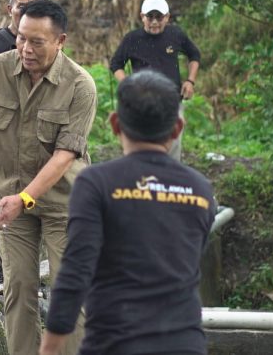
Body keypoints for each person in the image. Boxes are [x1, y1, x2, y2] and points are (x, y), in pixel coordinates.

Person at [40, 70, 217, 355]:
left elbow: (75, 270)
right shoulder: (200, 190)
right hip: (185, 345)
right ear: (178, 128)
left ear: (114, 124)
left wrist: (49, 348)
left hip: (114, 343)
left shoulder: (97, 183)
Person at [0, 0, 97, 355]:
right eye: (21, 38)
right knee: (18, 287)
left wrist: (24, 200)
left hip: (63, 203)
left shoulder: (80, 86)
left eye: (37, 42)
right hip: (9, 201)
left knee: (68, 289)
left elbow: (64, 156)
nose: (25, 48)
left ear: (61, 41)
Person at [0, 0, 44, 297]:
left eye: (34, 5)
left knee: (33, 207)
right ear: (9, 8)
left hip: (35, 141)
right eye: (21, 4)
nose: (26, 10)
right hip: (0, 140)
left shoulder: (46, 43)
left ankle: (30, 280)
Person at [109, 0, 202, 161]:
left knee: (172, 144)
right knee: (141, 143)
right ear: (142, 17)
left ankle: (169, 178)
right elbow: (116, 64)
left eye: (159, 17)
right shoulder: (132, 39)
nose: (154, 22)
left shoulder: (176, 35)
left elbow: (194, 55)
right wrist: (128, 84)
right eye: (150, 17)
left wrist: (190, 81)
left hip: (171, 99)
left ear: (167, 17)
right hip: (141, 100)